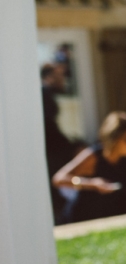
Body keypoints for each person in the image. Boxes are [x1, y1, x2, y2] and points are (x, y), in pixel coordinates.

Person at [52, 111, 126, 223]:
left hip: (103, 217)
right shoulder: (93, 157)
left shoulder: (125, 160)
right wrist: (91, 184)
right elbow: (59, 179)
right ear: (114, 138)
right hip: (81, 217)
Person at [41, 62, 78, 223]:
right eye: (59, 75)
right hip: (51, 151)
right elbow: (48, 127)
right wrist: (70, 146)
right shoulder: (43, 94)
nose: (63, 79)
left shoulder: (45, 93)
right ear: (49, 77)